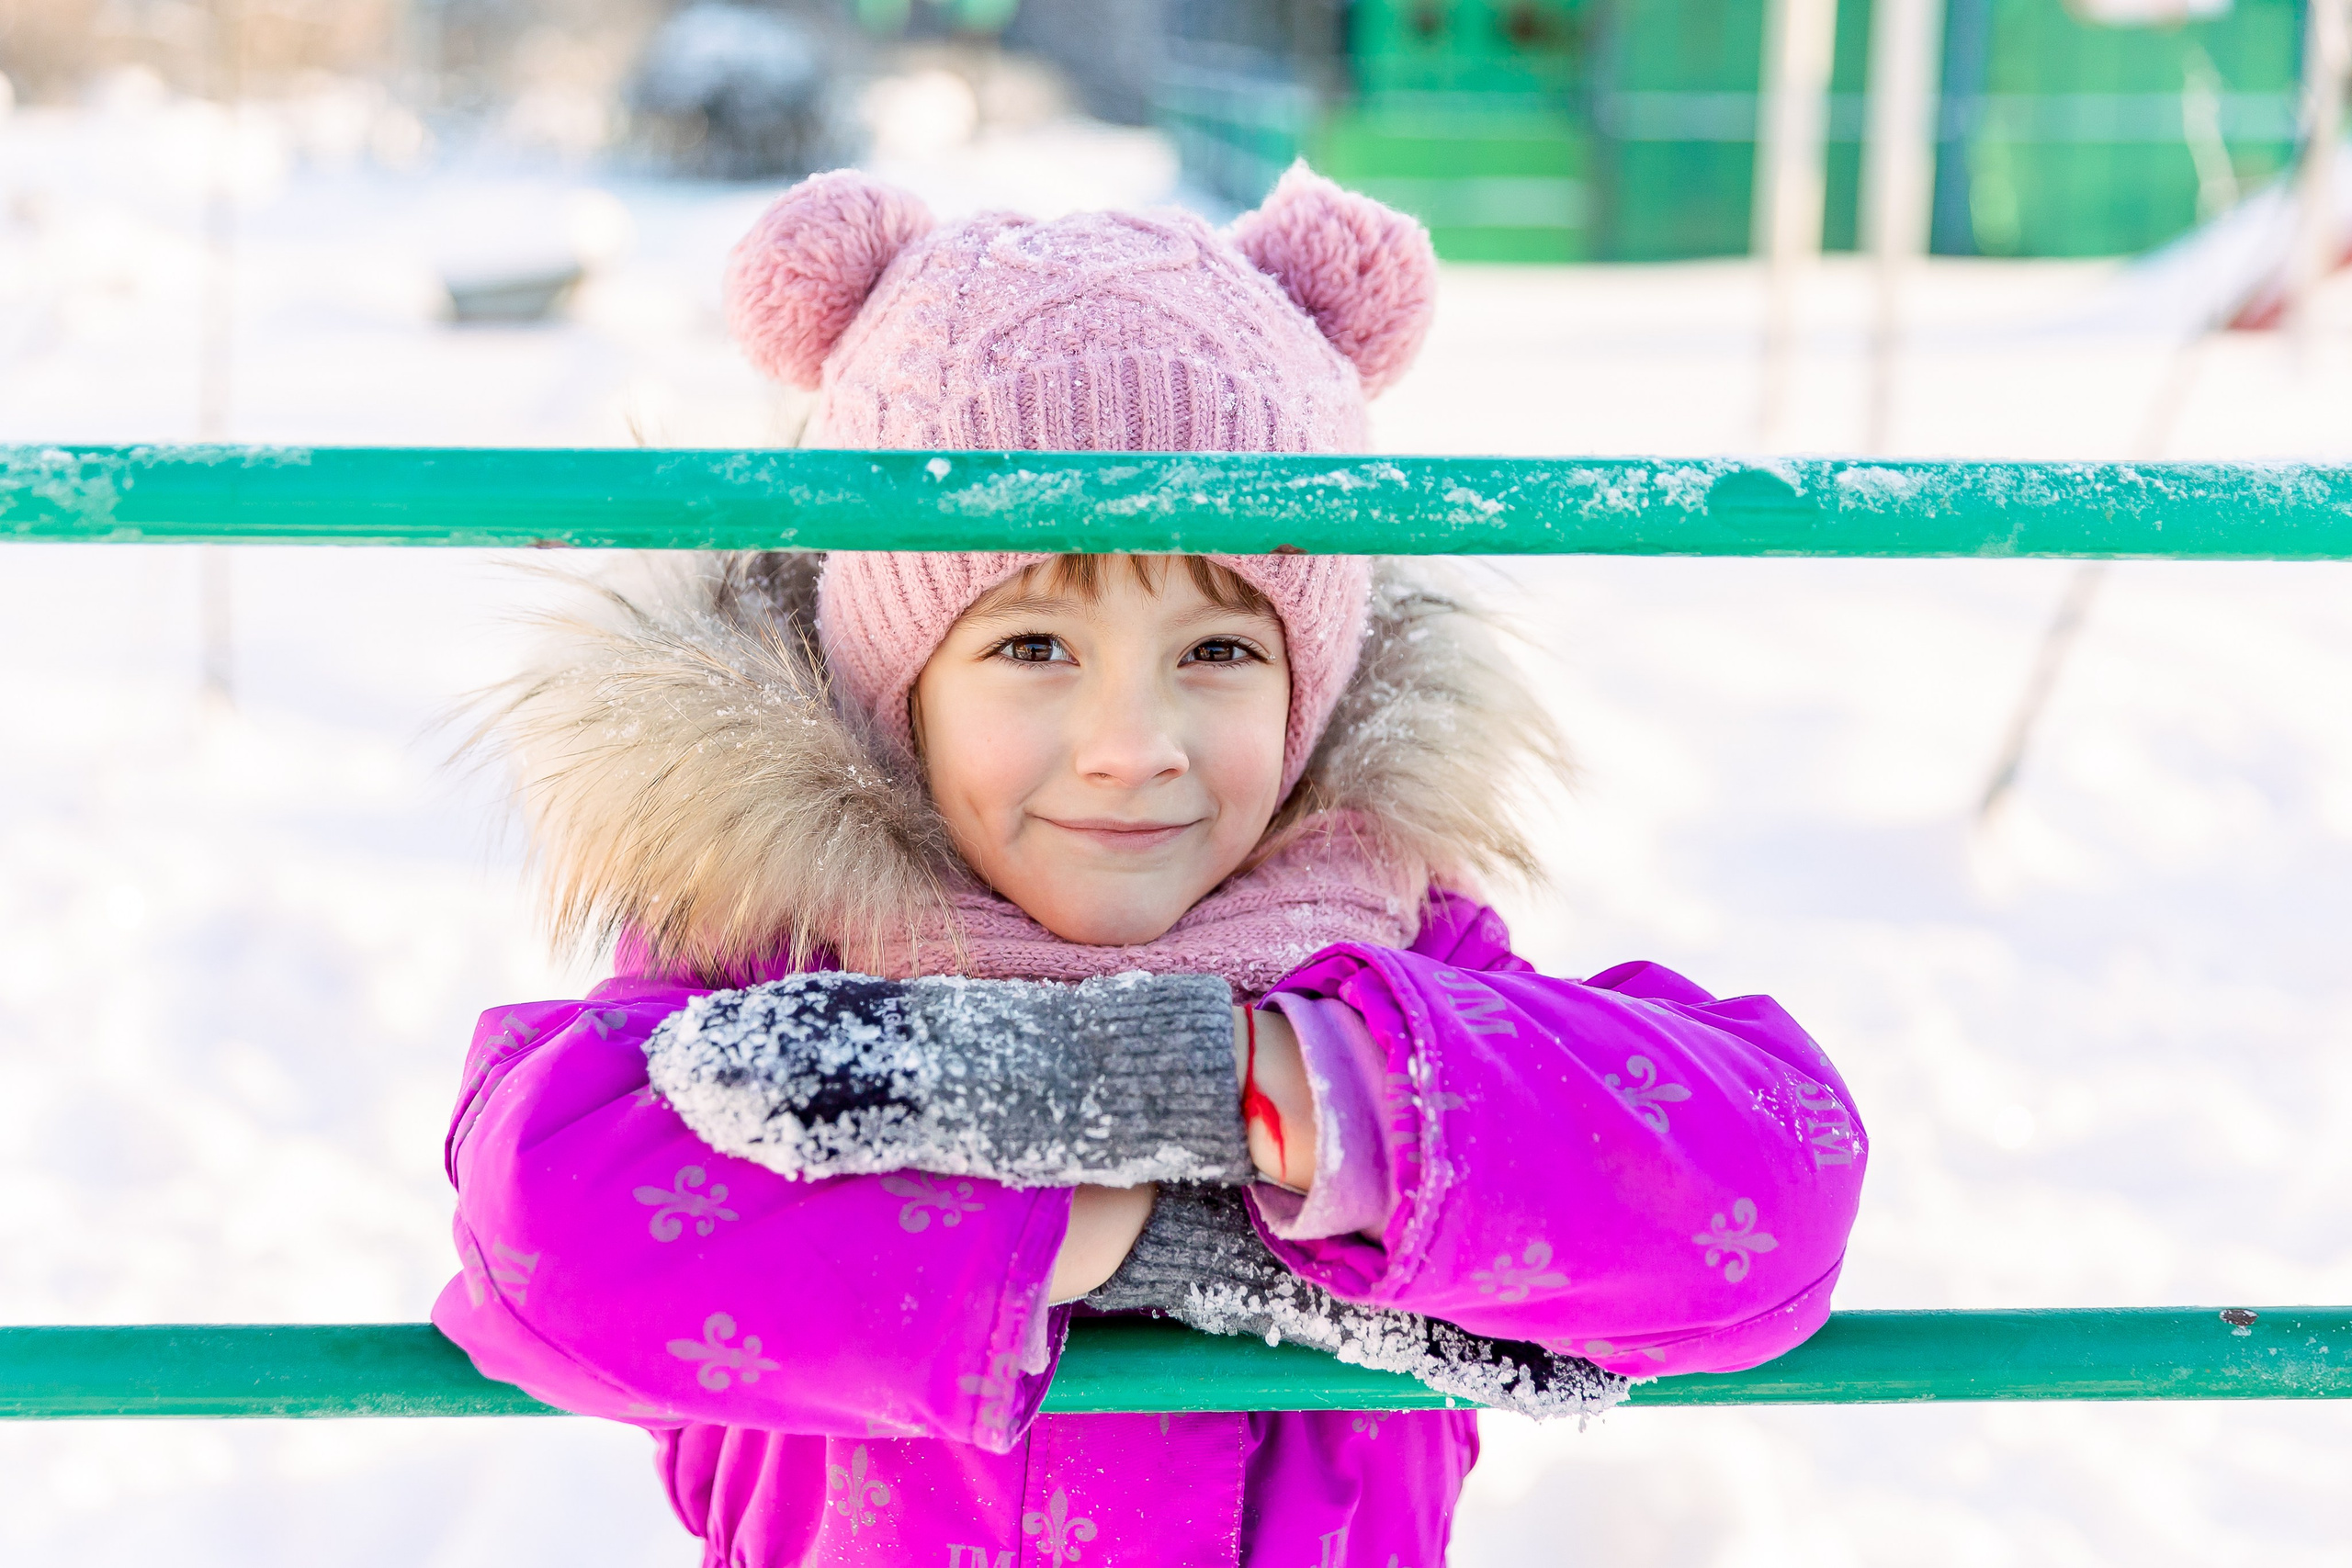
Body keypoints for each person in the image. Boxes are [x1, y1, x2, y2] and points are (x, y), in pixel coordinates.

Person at [435, 165, 1868, 1568]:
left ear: (1314, 686)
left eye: (1222, 652)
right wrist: (1144, 1239)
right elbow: (543, 1237)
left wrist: (1248, 1083)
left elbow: (1779, 1195)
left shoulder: (1391, 958)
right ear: (895, 683)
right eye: (1031, 647)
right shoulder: (784, 952)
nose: (1134, 746)